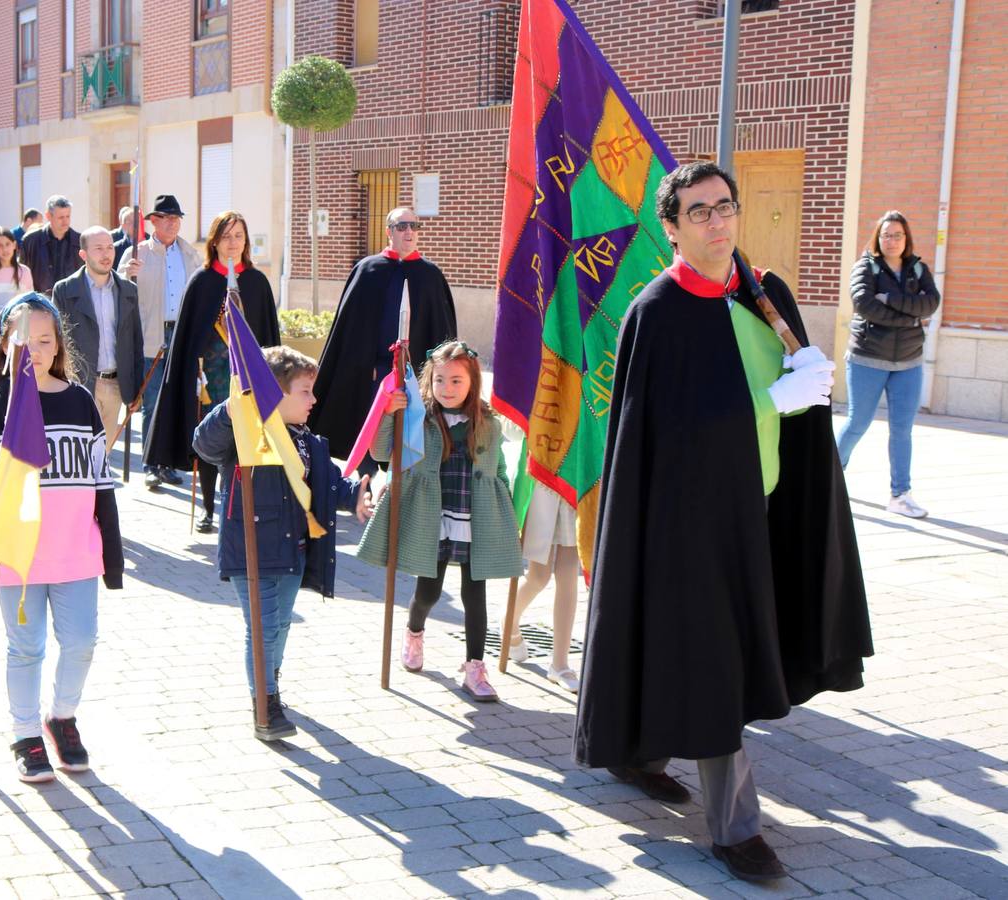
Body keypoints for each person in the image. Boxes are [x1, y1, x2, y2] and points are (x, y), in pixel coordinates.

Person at [572, 162, 871, 883]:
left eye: (725, 207)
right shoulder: (658, 309)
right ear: (670, 229)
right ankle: (736, 831)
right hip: (688, 524)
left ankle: (640, 751)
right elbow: (672, 435)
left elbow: (791, 395)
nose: (716, 221)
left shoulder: (762, 292)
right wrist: (774, 399)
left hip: (762, 511)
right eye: (698, 211)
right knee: (714, 661)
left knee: (709, 647)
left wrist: (808, 392)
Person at [0, 293, 124, 781]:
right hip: (19, 553)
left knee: (81, 643)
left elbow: (101, 481)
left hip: (76, 551)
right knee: (25, 648)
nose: (34, 349)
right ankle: (26, 734)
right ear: (5, 344)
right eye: (23, 340)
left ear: (58, 346)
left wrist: (112, 554)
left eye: (44, 340)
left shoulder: (80, 402)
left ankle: (62, 717)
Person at [193, 346, 372, 740]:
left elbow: (326, 483)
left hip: (293, 550)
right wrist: (232, 407)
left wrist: (353, 495)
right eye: (305, 391)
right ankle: (266, 704)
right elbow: (204, 445)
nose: (314, 399)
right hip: (251, 551)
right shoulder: (246, 431)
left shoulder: (307, 442)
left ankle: (268, 684)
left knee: (281, 626)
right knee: (262, 629)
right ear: (275, 394)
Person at [357, 340, 522, 702]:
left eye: (457, 381)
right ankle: (414, 632)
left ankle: (475, 666)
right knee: (429, 590)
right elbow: (383, 452)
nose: (447, 389)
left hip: (473, 515)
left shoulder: (489, 423)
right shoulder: (418, 417)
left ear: (473, 382)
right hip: (432, 514)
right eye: (440, 381)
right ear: (429, 381)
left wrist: (508, 513)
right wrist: (389, 412)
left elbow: (500, 470)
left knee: (474, 594)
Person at [144, 211, 280, 530]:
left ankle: (242, 507)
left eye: (238, 236)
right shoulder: (202, 280)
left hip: (248, 378)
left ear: (245, 241)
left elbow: (268, 337)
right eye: (226, 236)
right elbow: (188, 337)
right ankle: (208, 508)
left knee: (246, 443)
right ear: (215, 240)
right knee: (211, 439)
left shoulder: (257, 282)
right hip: (210, 376)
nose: (232, 243)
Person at [309, 207, 458, 469]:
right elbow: (351, 330)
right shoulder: (368, 270)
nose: (408, 231)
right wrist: (364, 368)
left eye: (414, 226)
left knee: (409, 444)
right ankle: (364, 496)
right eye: (401, 226)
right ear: (389, 231)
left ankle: (397, 497)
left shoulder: (430, 275)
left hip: (417, 378)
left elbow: (441, 333)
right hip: (374, 376)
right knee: (369, 438)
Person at [836, 211, 941, 519]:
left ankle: (900, 494)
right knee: (858, 422)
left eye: (897, 235)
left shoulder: (918, 269)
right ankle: (831, 475)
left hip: (909, 361)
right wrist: (910, 316)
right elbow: (864, 305)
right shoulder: (865, 267)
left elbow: (931, 303)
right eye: (886, 235)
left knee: (902, 429)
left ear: (906, 238)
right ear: (877, 238)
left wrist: (889, 299)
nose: (891, 240)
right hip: (868, 357)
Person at [119, 194, 204, 487]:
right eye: (167, 218)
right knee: (152, 401)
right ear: (153, 221)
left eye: (177, 218)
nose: (173, 223)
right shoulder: (137, 253)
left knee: (176, 399)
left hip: (181, 335)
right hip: (151, 336)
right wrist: (126, 275)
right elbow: (120, 291)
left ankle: (169, 462)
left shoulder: (190, 254)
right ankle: (151, 463)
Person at [51, 225, 143, 445]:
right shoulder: (64, 290)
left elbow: (135, 341)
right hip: (79, 384)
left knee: (103, 456)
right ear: (83, 254)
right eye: (99, 248)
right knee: (80, 453)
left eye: (110, 247)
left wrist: (137, 388)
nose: (106, 254)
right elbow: (57, 342)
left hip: (116, 386)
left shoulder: (128, 290)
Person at [506, 480, 582, 692]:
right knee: (539, 575)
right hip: (543, 478)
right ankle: (509, 620)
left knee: (568, 575)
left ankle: (560, 664)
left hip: (576, 477)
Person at [22, 195, 81, 294]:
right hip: (40, 303)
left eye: (68, 216)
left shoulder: (79, 242)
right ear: (48, 216)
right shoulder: (30, 241)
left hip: (70, 304)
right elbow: (22, 275)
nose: (65, 221)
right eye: (61, 217)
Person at [109, 206, 139, 270]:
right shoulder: (116, 248)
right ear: (123, 226)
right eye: (130, 222)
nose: (135, 225)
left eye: (136, 221)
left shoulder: (149, 242)